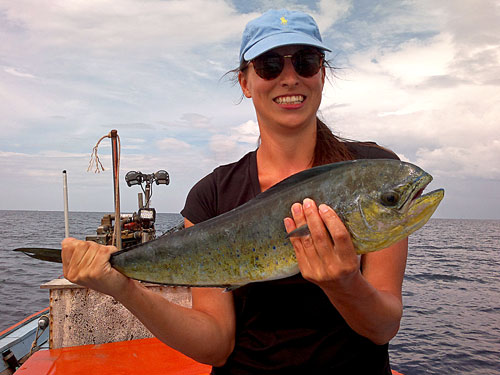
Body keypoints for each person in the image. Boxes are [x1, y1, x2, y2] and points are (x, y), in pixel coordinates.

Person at [62, 9, 407, 374]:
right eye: (269, 65)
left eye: (306, 62)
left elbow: (383, 327)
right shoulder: (212, 194)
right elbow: (216, 345)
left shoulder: (372, 175)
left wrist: (344, 284)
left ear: (321, 73)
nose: (290, 78)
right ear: (245, 82)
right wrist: (123, 288)